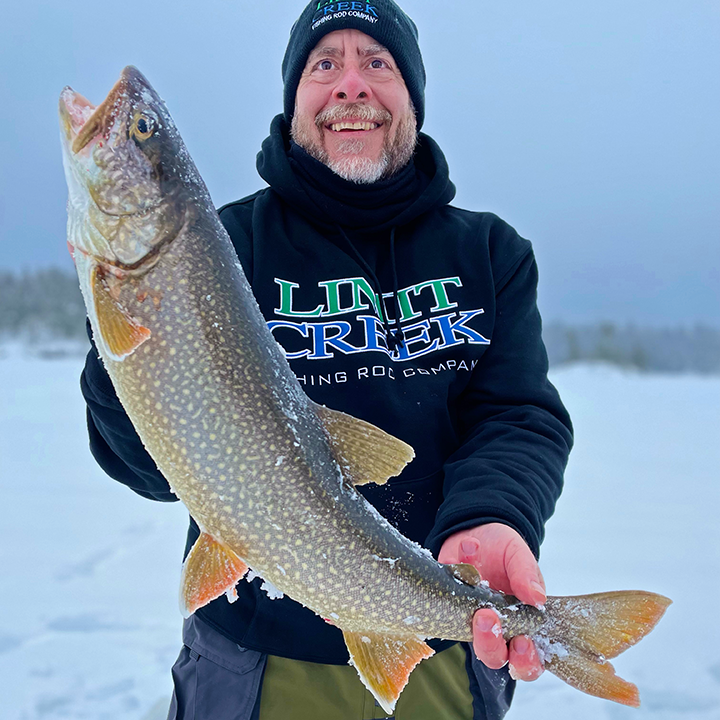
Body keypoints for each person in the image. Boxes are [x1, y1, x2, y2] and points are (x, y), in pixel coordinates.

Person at [80, 1, 573, 718]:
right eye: (325, 65)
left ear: (412, 93)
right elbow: (146, 468)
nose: (351, 85)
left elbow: (516, 416)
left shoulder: (489, 254)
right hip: (249, 661)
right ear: (294, 98)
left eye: (377, 62)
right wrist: (120, 317)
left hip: (437, 649)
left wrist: (494, 515)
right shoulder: (221, 249)